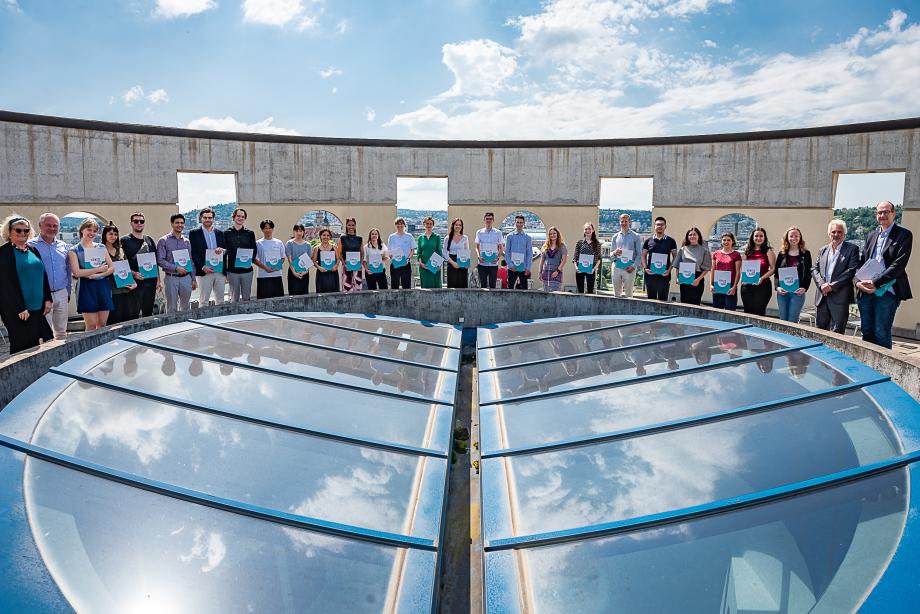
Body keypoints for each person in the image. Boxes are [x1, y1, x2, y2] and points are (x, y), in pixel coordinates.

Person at [855, 200, 913, 349]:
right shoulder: (871, 235)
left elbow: (898, 265)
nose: (882, 215)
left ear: (893, 214)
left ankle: (883, 370)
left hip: (887, 291)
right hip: (866, 291)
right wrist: (857, 282)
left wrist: (875, 282)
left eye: (886, 212)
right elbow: (862, 262)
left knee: (882, 332)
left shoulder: (904, 235)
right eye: (880, 212)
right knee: (866, 332)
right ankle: (867, 369)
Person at [0, 215, 53, 353]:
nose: (23, 233)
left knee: (36, 345)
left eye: (26, 230)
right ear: (9, 232)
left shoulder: (33, 250)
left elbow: (43, 275)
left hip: (37, 308)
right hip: (18, 311)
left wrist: (48, 299)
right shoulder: (4, 253)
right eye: (18, 230)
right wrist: (20, 307)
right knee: (21, 347)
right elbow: (5, 285)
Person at [811, 218, 860, 334]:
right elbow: (814, 268)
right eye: (833, 232)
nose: (836, 234)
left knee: (837, 332)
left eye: (839, 232)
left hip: (840, 297)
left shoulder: (852, 249)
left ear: (844, 234)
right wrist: (822, 285)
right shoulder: (822, 250)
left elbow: (851, 270)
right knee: (820, 331)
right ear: (829, 234)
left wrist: (832, 286)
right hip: (822, 296)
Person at [28, 213, 71, 339]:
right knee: (46, 334)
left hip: (61, 293)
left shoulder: (63, 246)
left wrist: (67, 291)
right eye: (48, 225)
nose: (52, 228)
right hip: (42, 296)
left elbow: (68, 270)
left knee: (62, 332)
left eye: (55, 226)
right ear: (40, 226)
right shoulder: (30, 246)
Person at [68, 217, 114, 330]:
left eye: (94, 231)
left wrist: (98, 275)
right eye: (89, 230)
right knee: (91, 325)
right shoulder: (73, 250)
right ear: (82, 230)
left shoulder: (101, 247)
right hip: (86, 287)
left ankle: (102, 347)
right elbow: (77, 273)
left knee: (102, 324)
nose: (92, 233)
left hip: (102, 285)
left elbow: (112, 267)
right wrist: (98, 269)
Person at [121, 211, 159, 318]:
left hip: (150, 283)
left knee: (148, 313)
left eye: (141, 221)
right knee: (133, 314)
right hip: (134, 284)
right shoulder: (124, 241)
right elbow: (121, 263)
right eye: (136, 221)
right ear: (131, 223)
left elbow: (155, 261)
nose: (139, 223)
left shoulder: (149, 239)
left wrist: (158, 280)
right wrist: (133, 274)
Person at [156, 213, 197, 313]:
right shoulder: (163, 241)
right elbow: (160, 260)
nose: (180, 225)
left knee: (186, 307)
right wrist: (176, 268)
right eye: (177, 223)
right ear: (172, 224)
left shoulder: (187, 241)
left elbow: (190, 260)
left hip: (186, 278)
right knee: (171, 307)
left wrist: (193, 279)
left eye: (182, 223)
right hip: (171, 278)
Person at [774, 226, 812, 323]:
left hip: (797, 293)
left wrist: (804, 287)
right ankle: (782, 338)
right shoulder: (781, 254)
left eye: (796, 236)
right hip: (783, 293)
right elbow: (776, 273)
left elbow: (808, 273)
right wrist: (777, 287)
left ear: (800, 238)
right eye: (791, 236)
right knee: (782, 320)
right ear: (787, 238)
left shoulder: (806, 254)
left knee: (792, 321)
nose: (794, 238)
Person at [189, 207, 226, 306]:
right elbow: (193, 253)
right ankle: (203, 321)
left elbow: (226, 250)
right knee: (204, 301)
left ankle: (221, 320)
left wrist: (223, 250)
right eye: (205, 218)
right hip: (204, 272)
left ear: (213, 219)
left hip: (219, 271)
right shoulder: (194, 233)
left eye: (210, 218)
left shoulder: (220, 233)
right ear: (201, 218)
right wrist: (202, 266)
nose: (207, 220)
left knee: (221, 300)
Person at [101, 223, 137, 324]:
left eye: (115, 234)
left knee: (126, 318)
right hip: (110, 290)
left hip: (125, 289)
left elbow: (126, 267)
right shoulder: (100, 250)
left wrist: (133, 282)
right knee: (113, 320)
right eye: (111, 234)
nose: (113, 237)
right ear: (105, 235)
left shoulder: (120, 250)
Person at [739, 227, 776, 316]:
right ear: (752, 237)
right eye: (756, 236)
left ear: (764, 238)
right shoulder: (747, 251)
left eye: (761, 236)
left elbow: (773, 268)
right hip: (747, 287)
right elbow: (742, 267)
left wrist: (762, 278)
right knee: (747, 312)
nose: (758, 238)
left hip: (763, 287)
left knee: (759, 313)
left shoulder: (768, 251)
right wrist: (742, 278)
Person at [223, 208, 257, 302]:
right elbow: (224, 253)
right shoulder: (226, 233)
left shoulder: (250, 233)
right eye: (238, 216)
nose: (240, 218)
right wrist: (224, 271)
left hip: (247, 271)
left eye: (243, 217)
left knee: (246, 298)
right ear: (233, 217)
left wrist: (249, 262)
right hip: (232, 271)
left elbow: (254, 250)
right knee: (234, 298)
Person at [672, 227, 711, 305]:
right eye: (690, 235)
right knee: (684, 303)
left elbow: (706, 268)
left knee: (695, 304)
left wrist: (698, 279)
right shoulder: (683, 249)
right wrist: (677, 278)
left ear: (698, 236)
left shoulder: (704, 250)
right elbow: (677, 266)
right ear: (687, 237)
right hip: (684, 278)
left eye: (694, 234)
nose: (692, 236)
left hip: (697, 279)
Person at [642, 216, 678, 302]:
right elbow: (643, 255)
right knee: (651, 299)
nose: (660, 226)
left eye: (662, 224)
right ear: (654, 226)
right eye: (658, 224)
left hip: (664, 275)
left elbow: (675, 257)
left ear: (665, 226)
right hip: (650, 275)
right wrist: (646, 268)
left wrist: (669, 270)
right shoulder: (648, 241)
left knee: (663, 299)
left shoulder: (671, 241)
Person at [611, 213, 642, 298]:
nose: (624, 223)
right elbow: (611, 255)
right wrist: (614, 253)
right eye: (622, 221)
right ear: (619, 222)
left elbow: (639, 254)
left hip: (629, 268)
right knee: (616, 294)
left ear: (630, 222)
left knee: (629, 295)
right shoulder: (615, 237)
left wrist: (633, 266)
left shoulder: (636, 236)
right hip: (616, 267)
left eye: (626, 221)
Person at [254, 219, 285, 299]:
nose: (268, 230)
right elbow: (254, 259)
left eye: (269, 228)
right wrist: (265, 268)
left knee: (278, 300)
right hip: (263, 276)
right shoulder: (258, 243)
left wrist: (276, 267)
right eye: (265, 228)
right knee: (263, 300)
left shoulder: (279, 242)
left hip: (277, 275)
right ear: (262, 229)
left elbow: (282, 258)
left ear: (273, 229)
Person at [710, 232, 742, 310]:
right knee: (717, 309)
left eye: (728, 240)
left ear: (732, 241)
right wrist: (711, 284)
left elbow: (738, 272)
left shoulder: (736, 254)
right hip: (717, 284)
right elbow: (713, 269)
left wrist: (734, 287)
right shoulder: (716, 254)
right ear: (721, 241)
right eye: (724, 240)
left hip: (730, 286)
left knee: (729, 309)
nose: (726, 242)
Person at [475, 212, 504, 289]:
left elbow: (501, 248)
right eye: (487, 219)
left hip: (493, 264)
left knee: (492, 286)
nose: (488, 220)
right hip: (482, 263)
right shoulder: (479, 232)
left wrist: (497, 258)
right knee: (483, 286)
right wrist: (478, 257)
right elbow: (477, 247)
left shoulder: (498, 233)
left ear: (493, 220)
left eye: (490, 219)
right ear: (484, 220)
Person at [504, 214, 533, 290]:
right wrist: (510, 265)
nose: (519, 224)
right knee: (510, 288)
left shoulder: (528, 238)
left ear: (524, 223)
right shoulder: (509, 236)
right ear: (515, 223)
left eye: (521, 222)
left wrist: (528, 268)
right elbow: (507, 252)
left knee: (524, 289)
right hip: (512, 268)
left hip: (523, 269)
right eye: (517, 222)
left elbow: (529, 254)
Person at [573, 222, 602, 294]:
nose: (587, 231)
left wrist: (593, 269)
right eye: (586, 229)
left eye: (589, 229)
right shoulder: (579, 243)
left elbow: (599, 259)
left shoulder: (597, 244)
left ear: (593, 230)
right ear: (584, 231)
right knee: (580, 291)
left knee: (590, 292)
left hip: (591, 270)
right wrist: (576, 268)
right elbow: (575, 258)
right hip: (580, 270)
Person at [338, 218, 364, 293]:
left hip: (357, 265)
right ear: (346, 226)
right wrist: (344, 264)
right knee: (347, 287)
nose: (351, 227)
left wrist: (360, 263)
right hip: (346, 265)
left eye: (353, 225)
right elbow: (339, 253)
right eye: (349, 225)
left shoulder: (359, 239)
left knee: (358, 287)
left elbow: (362, 252)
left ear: (355, 226)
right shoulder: (342, 238)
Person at [387, 217, 415, 289]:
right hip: (395, 264)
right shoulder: (391, 237)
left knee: (406, 286)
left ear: (404, 225)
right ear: (395, 225)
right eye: (398, 224)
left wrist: (408, 259)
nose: (399, 226)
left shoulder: (409, 236)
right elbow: (389, 251)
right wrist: (391, 256)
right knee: (394, 286)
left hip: (406, 264)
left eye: (401, 224)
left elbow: (412, 250)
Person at [417, 216, 443, 289]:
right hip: (424, 265)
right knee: (425, 285)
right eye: (427, 223)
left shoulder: (437, 237)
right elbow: (419, 252)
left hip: (435, 264)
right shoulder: (420, 238)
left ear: (433, 225)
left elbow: (439, 251)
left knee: (435, 284)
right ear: (424, 224)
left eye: (430, 224)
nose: (429, 225)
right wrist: (421, 263)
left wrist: (439, 265)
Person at [285, 223, 311, 295]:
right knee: (293, 293)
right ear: (294, 232)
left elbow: (308, 261)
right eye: (297, 231)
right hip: (293, 272)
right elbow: (290, 260)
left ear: (303, 232)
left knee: (304, 293)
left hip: (304, 272)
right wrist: (294, 272)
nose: (299, 233)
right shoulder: (289, 243)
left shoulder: (308, 245)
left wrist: (305, 272)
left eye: (300, 231)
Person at [443, 218, 469, 289]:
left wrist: (467, 263)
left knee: (462, 284)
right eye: (456, 225)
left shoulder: (465, 238)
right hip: (451, 262)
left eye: (460, 225)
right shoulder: (447, 238)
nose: (458, 226)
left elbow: (466, 251)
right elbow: (444, 253)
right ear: (453, 226)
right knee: (452, 285)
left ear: (462, 227)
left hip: (462, 262)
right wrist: (453, 263)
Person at [539, 226, 568, 291]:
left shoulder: (562, 246)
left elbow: (564, 260)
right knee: (546, 293)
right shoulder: (545, 246)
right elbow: (542, 261)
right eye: (551, 234)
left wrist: (557, 271)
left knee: (555, 294)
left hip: (556, 273)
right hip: (546, 273)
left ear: (557, 234)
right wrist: (540, 272)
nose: (552, 235)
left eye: (554, 233)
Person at [312, 227, 340, 293]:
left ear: (330, 237)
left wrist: (336, 266)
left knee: (333, 292)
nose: (326, 237)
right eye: (324, 235)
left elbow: (338, 259)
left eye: (328, 235)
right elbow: (313, 261)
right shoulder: (316, 248)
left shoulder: (334, 247)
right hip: (321, 274)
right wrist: (319, 267)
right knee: (322, 291)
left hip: (332, 273)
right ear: (320, 236)